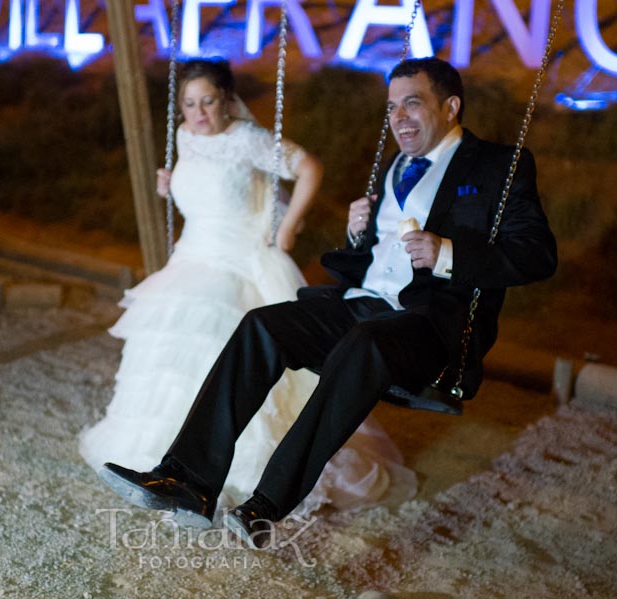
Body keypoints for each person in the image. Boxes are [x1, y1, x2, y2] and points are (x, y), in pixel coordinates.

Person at [97, 57, 558, 547]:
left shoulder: (497, 166)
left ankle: (265, 505)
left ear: (450, 106)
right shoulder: (395, 166)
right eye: (392, 106)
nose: (398, 116)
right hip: (364, 303)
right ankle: (187, 480)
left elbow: (536, 254)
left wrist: (448, 253)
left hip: (430, 324)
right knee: (262, 325)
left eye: (412, 103)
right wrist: (358, 236)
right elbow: (377, 257)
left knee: (364, 343)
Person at [80, 58, 417, 515]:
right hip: (190, 256)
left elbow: (310, 168)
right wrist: (170, 183)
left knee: (221, 344)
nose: (199, 113)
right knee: (167, 351)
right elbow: (198, 183)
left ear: (227, 100)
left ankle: (234, 472)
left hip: (237, 260)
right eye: (190, 104)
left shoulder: (248, 139)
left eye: (208, 102)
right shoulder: (183, 135)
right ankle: (161, 460)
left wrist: (288, 227)